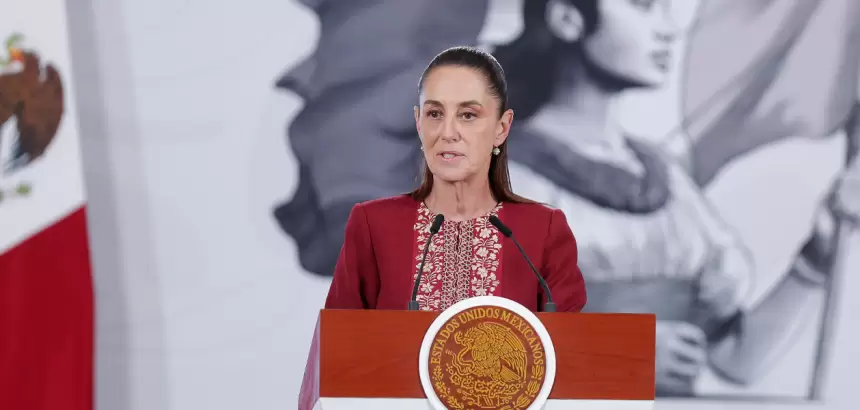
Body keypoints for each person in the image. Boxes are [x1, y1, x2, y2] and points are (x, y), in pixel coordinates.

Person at [496, 0, 858, 397]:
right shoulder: (493, 178)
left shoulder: (668, 183)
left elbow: (734, 360)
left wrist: (818, 252)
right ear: (567, 17)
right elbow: (442, 348)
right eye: (643, 7)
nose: (670, 29)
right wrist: (616, 353)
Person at [322, 46, 587, 313]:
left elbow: (572, 347)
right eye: (434, 114)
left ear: (501, 128)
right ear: (418, 123)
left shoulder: (544, 231)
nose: (448, 133)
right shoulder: (372, 225)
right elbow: (340, 343)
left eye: (468, 115)